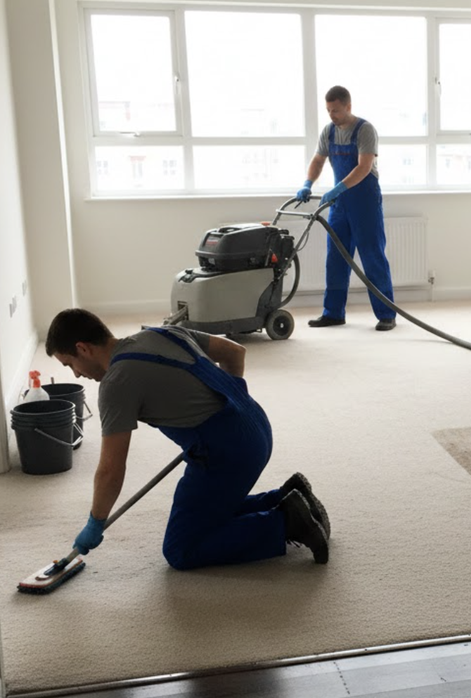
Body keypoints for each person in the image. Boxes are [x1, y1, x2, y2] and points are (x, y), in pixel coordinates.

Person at [44, 308, 330, 570]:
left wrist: (95, 522)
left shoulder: (116, 383)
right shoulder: (161, 331)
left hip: (229, 453)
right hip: (257, 425)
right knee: (203, 515)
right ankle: (286, 498)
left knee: (182, 547)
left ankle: (287, 522)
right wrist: (228, 411)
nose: (77, 374)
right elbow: (235, 353)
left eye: (70, 364)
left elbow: (110, 470)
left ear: (82, 348)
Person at [296, 85, 397, 331]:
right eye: (329, 110)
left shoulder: (365, 130)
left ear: (348, 106)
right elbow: (318, 160)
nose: (332, 115)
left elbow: (363, 167)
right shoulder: (328, 132)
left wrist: (337, 189)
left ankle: (386, 315)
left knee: (372, 255)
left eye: (336, 111)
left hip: (365, 202)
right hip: (340, 205)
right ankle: (333, 313)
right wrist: (308, 183)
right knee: (336, 257)